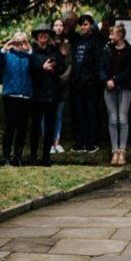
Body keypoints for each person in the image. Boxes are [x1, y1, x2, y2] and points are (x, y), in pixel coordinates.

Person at [0, 31, 33, 166]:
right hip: (10, 94)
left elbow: (37, 66)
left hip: (25, 94)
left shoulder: (28, 56)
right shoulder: (7, 55)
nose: (19, 44)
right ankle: (6, 155)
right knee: (10, 126)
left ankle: (18, 155)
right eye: (17, 41)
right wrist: (4, 48)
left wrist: (30, 49)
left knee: (23, 127)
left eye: (22, 41)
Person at [100, 23, 131, 165]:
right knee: (112, 119)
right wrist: (106, 80)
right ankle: (114, 150)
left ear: (120, 35)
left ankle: (122, 151)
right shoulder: (107, 50)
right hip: (109, 88)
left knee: (122, 118)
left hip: (124, 87)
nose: (110, 37)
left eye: (113, 34)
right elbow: (102, 68)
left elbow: (130, 71)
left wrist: (115, 80)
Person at [29, 23, 65, 166]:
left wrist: (53, 70)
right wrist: (42, 68)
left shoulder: (54, 51)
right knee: (35, 127)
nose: (43, 36)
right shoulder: (32, 52)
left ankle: (46, 157)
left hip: (52, 93)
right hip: (36, 94)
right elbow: (29, 70)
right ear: (37, 36)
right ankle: (33, 156)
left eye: (45, 33)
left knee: (50, 127)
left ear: (49, 36)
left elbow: (61, 68)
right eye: (40, 33)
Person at [70, 14, 103, 153]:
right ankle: (81, 141)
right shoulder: (78, 41)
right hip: (78, 82)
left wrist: (91, 78)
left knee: (92, 112)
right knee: (80, 112)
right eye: (81, 25)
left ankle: (92, 142)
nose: (83, 27)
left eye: (86, 24)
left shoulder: (96, 41)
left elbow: (97, 62)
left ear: (91, 25)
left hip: (90, 83)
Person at [50, 18, 71, 154]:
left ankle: (57, 142)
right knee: (47, 115)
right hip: (48, 83)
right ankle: (49, 142)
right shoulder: (48, 43)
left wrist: (64, 78)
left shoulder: (67, 44)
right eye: (56, 25)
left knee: (58, 114)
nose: (58, 27)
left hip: (62, 83)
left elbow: (70, 64)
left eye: (61, 25)